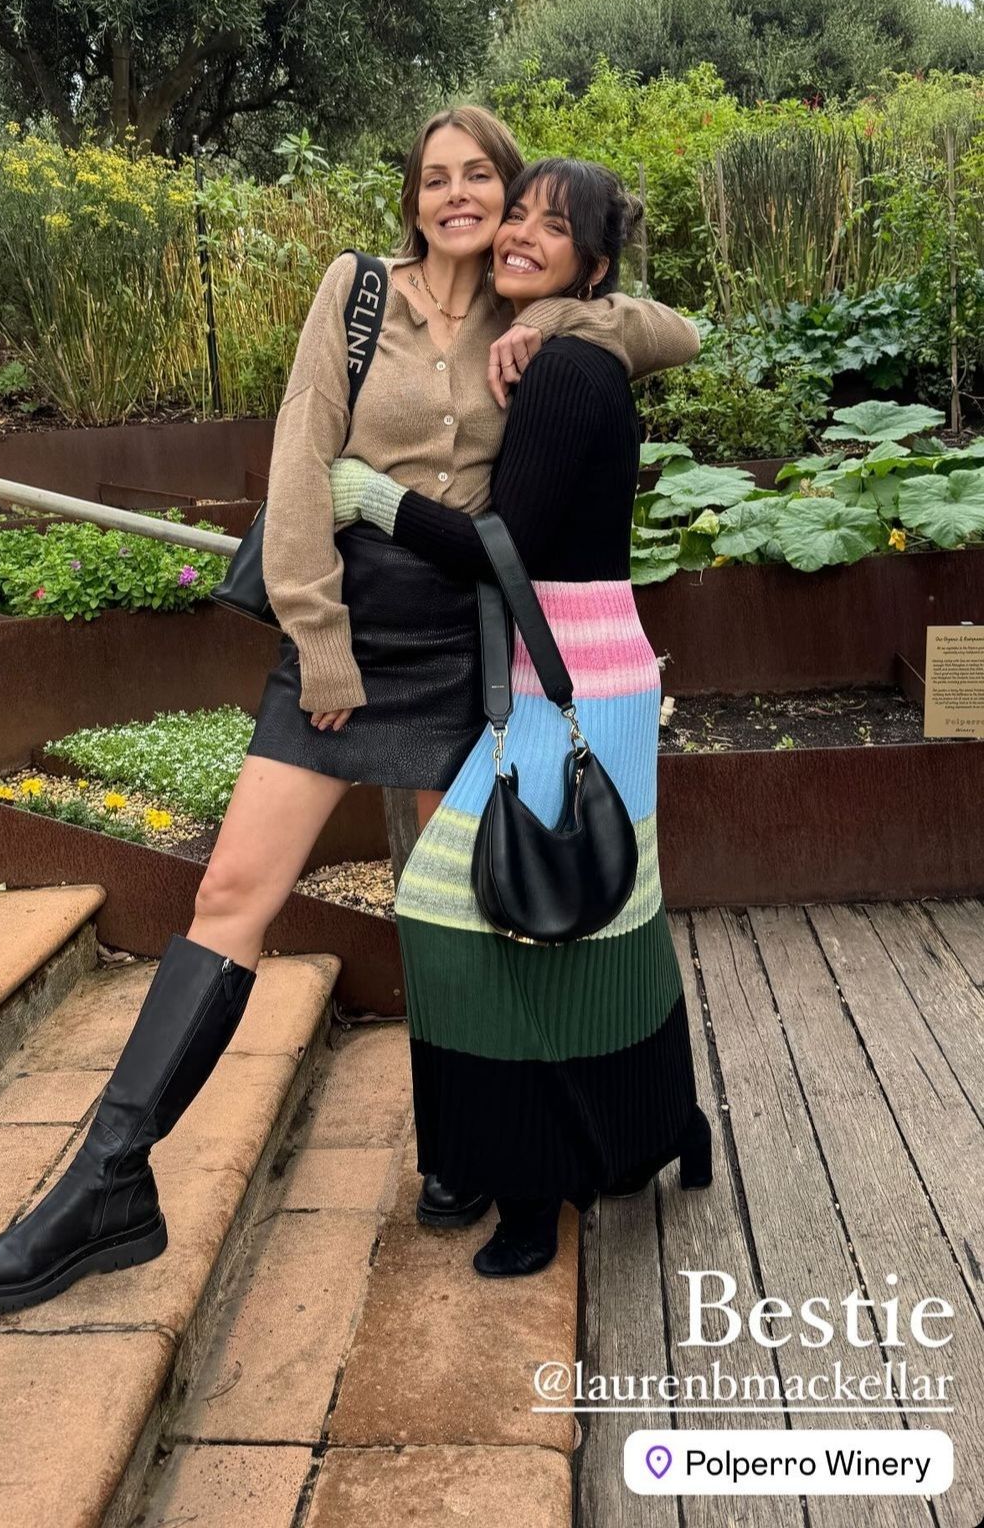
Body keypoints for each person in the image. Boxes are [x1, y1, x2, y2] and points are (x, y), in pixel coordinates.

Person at [0, 110, 701, 1315]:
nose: (462, 197)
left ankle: (464, 1148)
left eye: (485, 179)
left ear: (514, 200)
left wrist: (566, 317)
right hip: (348, 637)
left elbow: (670, 330)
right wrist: (318, 641)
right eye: (437, 178)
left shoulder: (526, 306)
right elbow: (303, 465)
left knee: (459, 910)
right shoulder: (359, 294)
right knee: (232, 893)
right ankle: (106, 1183)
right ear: (412, 197)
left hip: (468, 650)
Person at [329, 157, 712, 1278]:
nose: (521, 233)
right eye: (520, 215)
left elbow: (503, 551)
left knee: (477, 920)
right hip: (604, 660)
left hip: (563, 674)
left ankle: (536, 1196)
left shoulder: (560, 374)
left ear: (591, 265)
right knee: (610, 914)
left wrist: (375, 498)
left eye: (554, 224)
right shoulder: (577, 350)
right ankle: (667, 1124)